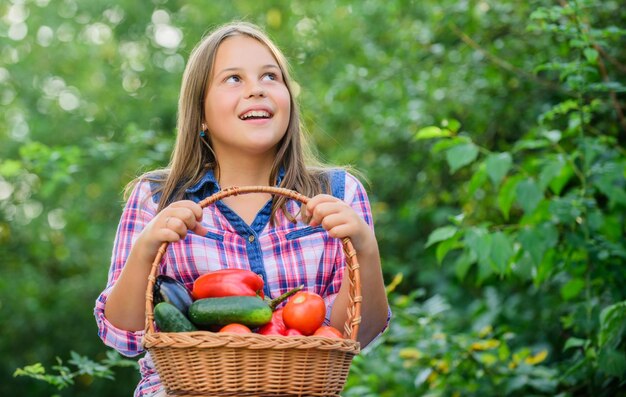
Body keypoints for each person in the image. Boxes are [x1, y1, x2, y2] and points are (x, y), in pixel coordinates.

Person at [94, 21, 390, 397]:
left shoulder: (337, 193)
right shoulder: (156, 197)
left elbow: (355, 335)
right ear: (200, 113)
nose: (256, 89)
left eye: (270, 76)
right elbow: (123, 335)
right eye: (233, 79)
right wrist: (147, 247)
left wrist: (365, 247)